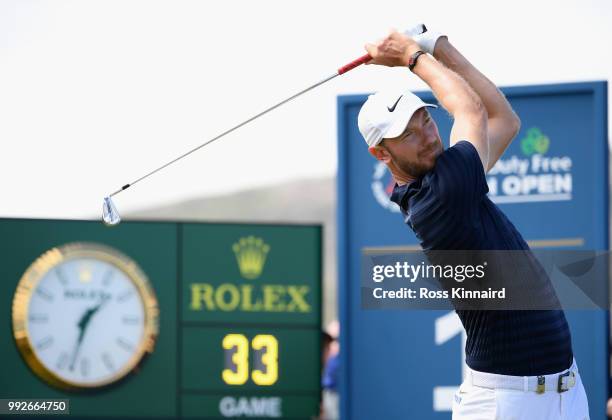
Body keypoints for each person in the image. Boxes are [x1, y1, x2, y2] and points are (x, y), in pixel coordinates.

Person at [358, 25, 589, 419]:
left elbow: (503, 119)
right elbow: (470, 110)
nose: (428, 137)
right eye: (407, 135)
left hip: (563, 391)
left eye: (425, 122)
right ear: (382, 154)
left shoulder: (450, 180)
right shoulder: (440, 199)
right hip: (506, 403)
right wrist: (413, 57)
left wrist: (438, 47)